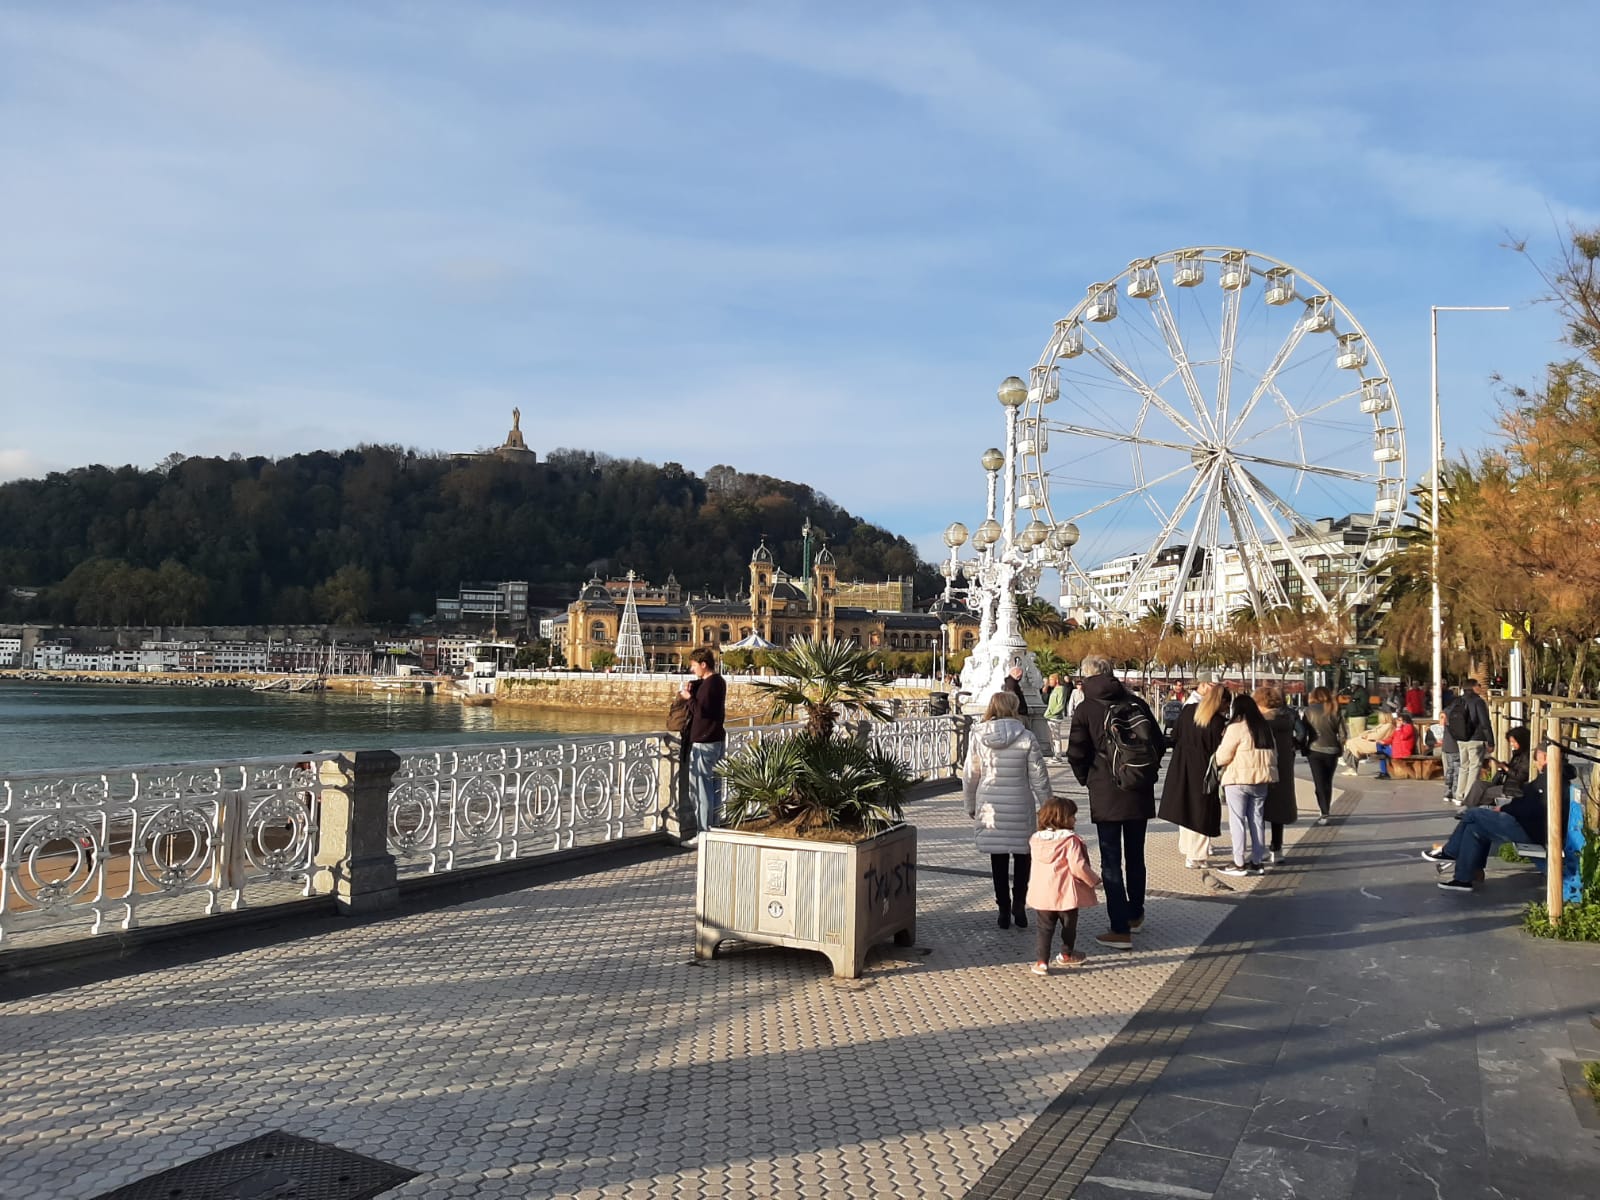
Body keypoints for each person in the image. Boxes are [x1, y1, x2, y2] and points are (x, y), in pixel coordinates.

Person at [1066, 654, 1165, 950]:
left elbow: (1076, 752)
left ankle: (1119, 928)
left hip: (1105, 790)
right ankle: (1135, 913)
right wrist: (1145, 772)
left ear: (1085, 678)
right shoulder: (1136, 702)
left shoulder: (1086, 708)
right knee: (1136, 855)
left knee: (1111, 861)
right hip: (1138, 789)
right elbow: (1159, 743)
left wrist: (1087, 778)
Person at [1426, 745, 1570, 891]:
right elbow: (1530, 804)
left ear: (1545, 757)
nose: (1536, 763)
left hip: (1533, 830)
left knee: (1473, 814)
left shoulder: (1551, 779)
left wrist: (1505, 808)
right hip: (1531, 826)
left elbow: (1533, 808)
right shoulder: (1553, 776)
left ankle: (1450, 852)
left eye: (1537, 759)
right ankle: (1464, 878)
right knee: (1475, 828)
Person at [963, 690, 1051, 929]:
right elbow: (1039, 777)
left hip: (990, 805)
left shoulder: (979, 736)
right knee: (1023, 857)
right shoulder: (1026, 737)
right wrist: (1047, 806)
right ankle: (1019, 906)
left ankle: (1003, 909)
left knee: (998, 858)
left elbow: (971, 774)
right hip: (1019, 803)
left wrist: (969, 804)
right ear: (1014, 708)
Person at [1158, 673, 1230, 868]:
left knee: (1185, 806)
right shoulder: (1216, 723)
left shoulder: (1188, 710)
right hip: (1203, 768)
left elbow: (1175, 735)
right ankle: (1196, 856)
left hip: (1181, 764)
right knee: (1201, 811)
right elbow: (1219, 749)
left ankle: (1186, 847)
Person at [1025, 796, 1101, 974]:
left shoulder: (1036, 839)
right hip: (1065, 893)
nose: (1075, 819)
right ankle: (1067, 954)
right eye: (1072, 816)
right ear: (1062, 818)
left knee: (1044, 928)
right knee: (1069, 926)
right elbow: (1078, 866)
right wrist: (1093, 880)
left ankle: (1042, 962)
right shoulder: (1070, 841)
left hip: (1042, 894)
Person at [1214, 692, 1278, 877]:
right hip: (1261, 781)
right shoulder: (1265, 727)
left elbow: (1223, 755)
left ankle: (1238, 862)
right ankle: (1257, 861)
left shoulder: (1236, 727)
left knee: (1237, 820)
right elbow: (1274, 755)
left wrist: (1216, 761)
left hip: (1238, 780)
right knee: (1257, 820)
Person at [679, 648, 726, 841]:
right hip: (716, 740)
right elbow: (706, 694)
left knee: (702, 789)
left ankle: (704, 833)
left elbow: (701, 711)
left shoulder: (710, 685)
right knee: (714, 787)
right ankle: (714, 829)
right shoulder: (718, 681)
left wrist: (689, 699)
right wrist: (695, 686)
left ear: (703, 664)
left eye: (693, 665)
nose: (692, 669)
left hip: (704, 742)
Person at [1255, 686, 1299, 863]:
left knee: (1258, 810)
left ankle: (1259, 848)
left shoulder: (1262, 723)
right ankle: (1277, 847)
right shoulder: (1286, 719)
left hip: (1264, 767)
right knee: (1279, 809)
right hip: (1284, 768)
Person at [1458, 726, 1530, 811]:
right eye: (1510, 742)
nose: (1512, 745)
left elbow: (1520, 776)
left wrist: (1505, 768)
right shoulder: (1517, 754)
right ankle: (1468, 807)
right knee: (1478, 784)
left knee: (1487, 792)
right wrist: (1504, 766)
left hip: (1514, 787)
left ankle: (1474, 809)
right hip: (1506, 783)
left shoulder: (1526, 756)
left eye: (1514, 742)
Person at [1300, 687, 1343, 824]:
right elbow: (1342, 734)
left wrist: (1302, 748)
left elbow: (1303, 733)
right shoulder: (1334, 709)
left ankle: (1324, 812)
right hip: (1332, 749)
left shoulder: (1309, 711)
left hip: (1315, 750)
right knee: (1327, 782)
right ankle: (1326, 809)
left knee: (1319, 783)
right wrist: (1340, 747)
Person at [1446, 678, 1493, 801]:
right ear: (1473, 687)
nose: (1480, 687)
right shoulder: (1478, 702)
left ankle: (1459, 794)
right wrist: (1491, 741)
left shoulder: (1457, 701)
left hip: (1461, 739)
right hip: (1475, 739)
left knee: (1464, 766)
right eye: (1479, 685)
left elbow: (1448, 720)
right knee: (1474, 767)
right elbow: (1484, 722)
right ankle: (1469, 795)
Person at [1343, 709, 1395, 776]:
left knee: (1353, 744)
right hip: (1373, 742)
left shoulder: (1389, 725)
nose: (1379, 718)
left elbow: (1378, 735)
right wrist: (1364, 734)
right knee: (1352, 742)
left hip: (1377, 744)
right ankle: (1351, 766)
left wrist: (1366, 736)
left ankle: (1351, 766)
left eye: (1380, 717)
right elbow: (1372, 731)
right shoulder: (1383, 725)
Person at [1374, 712, 1417, 780]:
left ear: (1404, 721)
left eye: (1399, 720)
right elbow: (1392, 738)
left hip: (1403, 751)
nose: (1397, 721)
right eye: (1397, 720)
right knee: (1379, 748)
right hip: (1397, 749)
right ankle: (1383, 771)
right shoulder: (1398, 729)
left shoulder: (1408, 727)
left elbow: (1403, 737)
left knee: (1381, 753)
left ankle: (1384, 771)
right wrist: (1383, 742)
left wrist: (1399, 729)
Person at [1434, 708, 1460, 806]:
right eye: (1441, 718)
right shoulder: (1453, 725)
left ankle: (1450, 792)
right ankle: (1452, 792)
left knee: (1452, 770)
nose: (1443, 720)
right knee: (1453, 770)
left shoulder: (1448, 726)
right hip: (1451, 748)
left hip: (1449, 747)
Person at [1042, 673, 1068, 759]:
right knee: (1051, 738)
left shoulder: (1061, 689)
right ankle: (1054, 754)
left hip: (1055, 717)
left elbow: (1061, 704)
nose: (1050, 682)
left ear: (1056, 680)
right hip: (1049, 716)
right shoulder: (1054, 690)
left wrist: (1052, 713)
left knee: (1056, 737)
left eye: (1051, 680)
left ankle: (1058, 755)